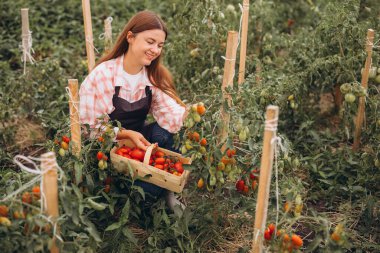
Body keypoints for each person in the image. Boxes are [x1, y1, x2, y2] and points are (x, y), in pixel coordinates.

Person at [79, 10, 187, 210]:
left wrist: (191, 115)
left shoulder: (152, 76)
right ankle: (142, 194)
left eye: (160, 45)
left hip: (137, 146)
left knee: (165, 135)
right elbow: (88, 129)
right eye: (150, 41)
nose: (155, 49)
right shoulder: (104, 75)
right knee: (138, 192)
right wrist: (125, 134)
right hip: (107, 149)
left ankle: (159, 191)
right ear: (130, 37)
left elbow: (170, 116)